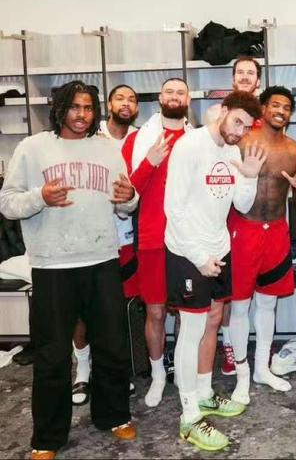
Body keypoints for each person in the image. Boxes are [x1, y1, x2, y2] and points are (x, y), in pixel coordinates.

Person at [0, 80, 138, 460]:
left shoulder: (108, 149)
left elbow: (125, 202)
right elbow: (7, 203)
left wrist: (131, 197)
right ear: (60, 109)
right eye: (75, 107)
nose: (82, 114)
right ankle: (47, 438)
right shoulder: (32, 148)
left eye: (88, 107)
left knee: (112, 345)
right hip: (53, 265)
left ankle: (113, 415)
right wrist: (40, 197)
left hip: (102, 259)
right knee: (51, 354)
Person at [164, 91, 265, 451]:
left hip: (219, 248)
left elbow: (242, 204)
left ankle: (205, 393)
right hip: (187, 250)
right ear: (222, 111)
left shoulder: (232, 151)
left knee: (213, 321)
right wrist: (198, 257)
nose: (239, 131)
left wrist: (250, 177)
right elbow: (173, 209)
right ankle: (189, 417)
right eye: (236, 121)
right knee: (191, 329)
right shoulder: (190, 146)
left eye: (246, 127)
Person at [228, 86, 296, 405]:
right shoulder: (242, 141)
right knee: (239, 306)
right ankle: (242, 375)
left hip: (276, 232)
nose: (281, 111)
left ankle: (262, 369)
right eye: (275, 105)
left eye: (287, 107)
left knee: (268, 304)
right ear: (263, 109)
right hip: (243, 229)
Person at [121, 77, 193, 407]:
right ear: (160, 98)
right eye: (169, 92)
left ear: (188, 100)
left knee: (187, 311)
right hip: (152, 237)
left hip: (187, 239)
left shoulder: (197, 139)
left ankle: (182, 367)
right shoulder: (138, 140)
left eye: (181, 92)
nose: (175, 97)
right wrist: (150, 161)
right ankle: (158, 374)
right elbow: (126, 192)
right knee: (155, 310)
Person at [71, 83, 140, 406]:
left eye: (132, 100)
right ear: (108, 104)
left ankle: (115, 371)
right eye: (120, 98)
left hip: (125, 236)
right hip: (88, 237)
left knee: (116, 311)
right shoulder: (89, 136)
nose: (126, 104)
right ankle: (83, 370)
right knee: (82, 311)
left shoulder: (139, 138)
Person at [217, 55, 263, 377]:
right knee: (229, 290)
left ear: (258, 81)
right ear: (233, 78)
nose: (245, 77)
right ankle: (229, 346)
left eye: (251, 73)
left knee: (257, 290)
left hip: (259, 213)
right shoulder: (219, 113)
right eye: (240, 72)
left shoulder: (265, 115)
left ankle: (251, 346)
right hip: (226, 211)